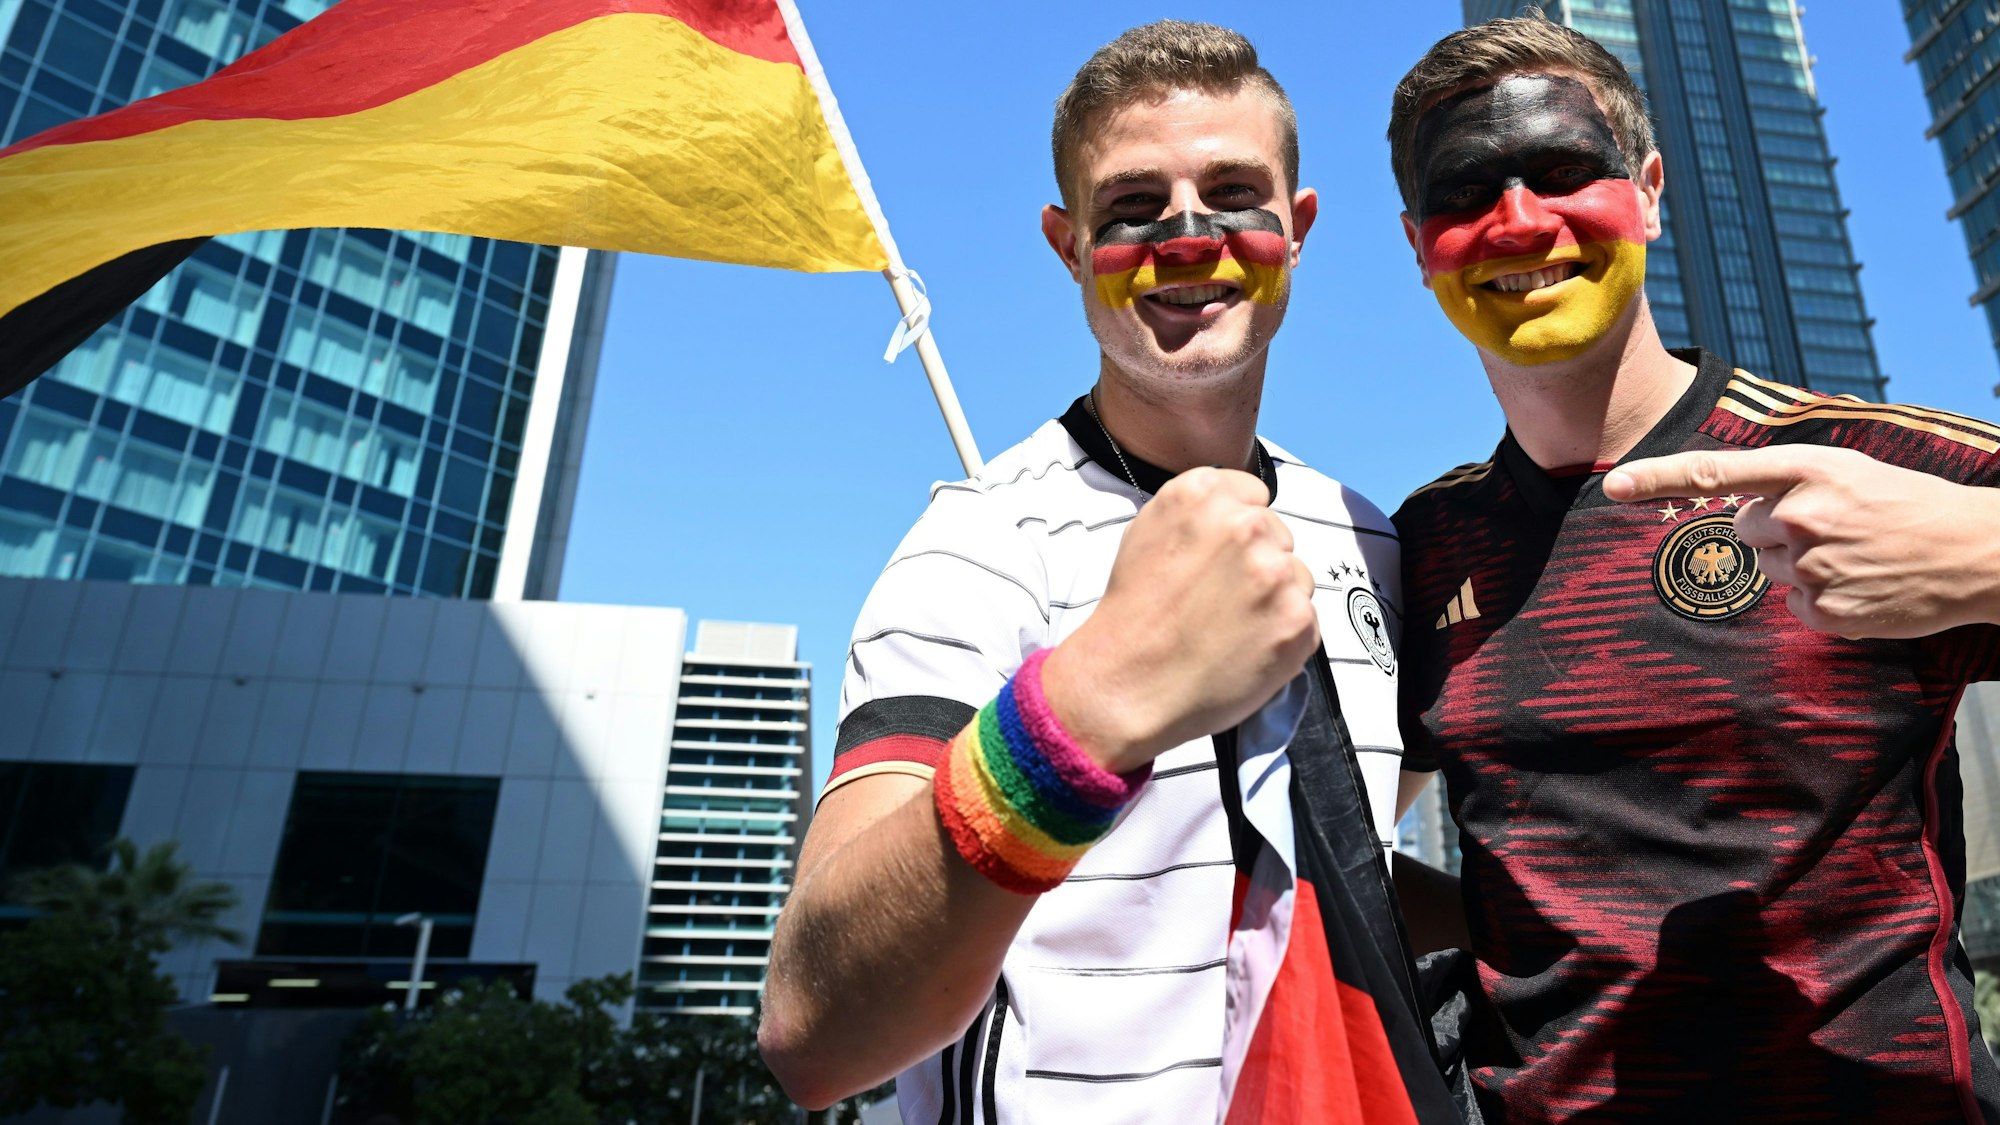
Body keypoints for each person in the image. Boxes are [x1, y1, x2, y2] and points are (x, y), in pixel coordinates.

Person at [760, 21, 1453, 1124]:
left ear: (1298, 227)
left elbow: (1323, 859)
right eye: (1131, 207)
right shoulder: (979, 546)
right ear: (1067, 244)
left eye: (1233, 192)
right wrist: (1084, 714)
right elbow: (815, 1028)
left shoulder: (1371, 543)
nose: (1188, 236)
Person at [1385, 13, 2000, 1123]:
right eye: (1465, 192)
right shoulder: (1416, 548)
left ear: (1651, 191)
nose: (1519, 221)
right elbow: (1314, 840)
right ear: (1415, 242)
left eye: (1564, 171)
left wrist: (1983, 554)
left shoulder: (1849, 460)